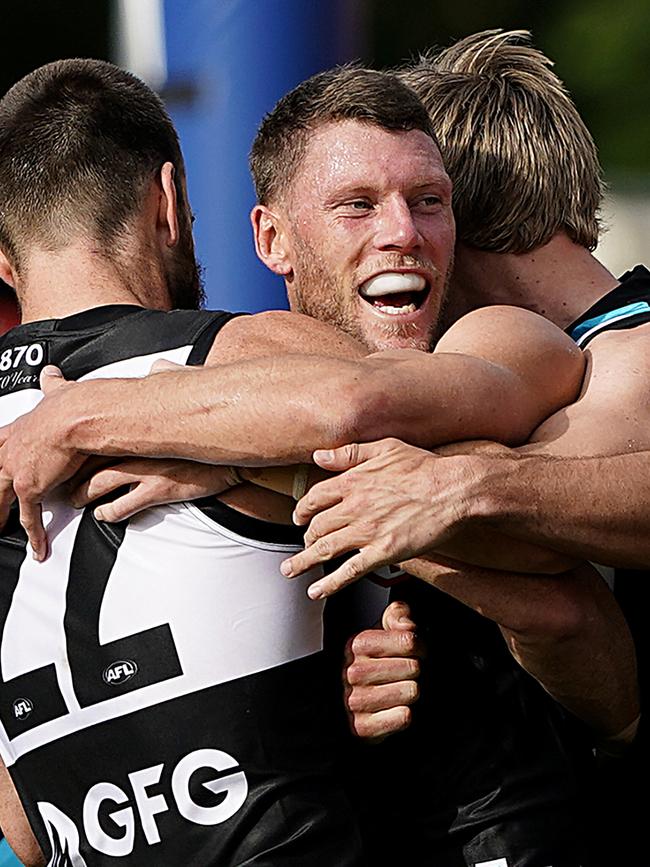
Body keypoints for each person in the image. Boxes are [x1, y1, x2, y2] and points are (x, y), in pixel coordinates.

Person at [0, 62, 636, 867]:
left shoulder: (492, 338)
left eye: (429, 202)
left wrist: (239, 466)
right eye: (357, 205)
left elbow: (575, 617)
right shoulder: (217, 395)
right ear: (270, 238)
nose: (402, 231)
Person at [280, 30, 648, 864]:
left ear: (456, 211)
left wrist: (457, 491)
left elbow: (522, 527)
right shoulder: (571, 359)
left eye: (421, 199)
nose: (401, 234)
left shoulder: (631, 349)